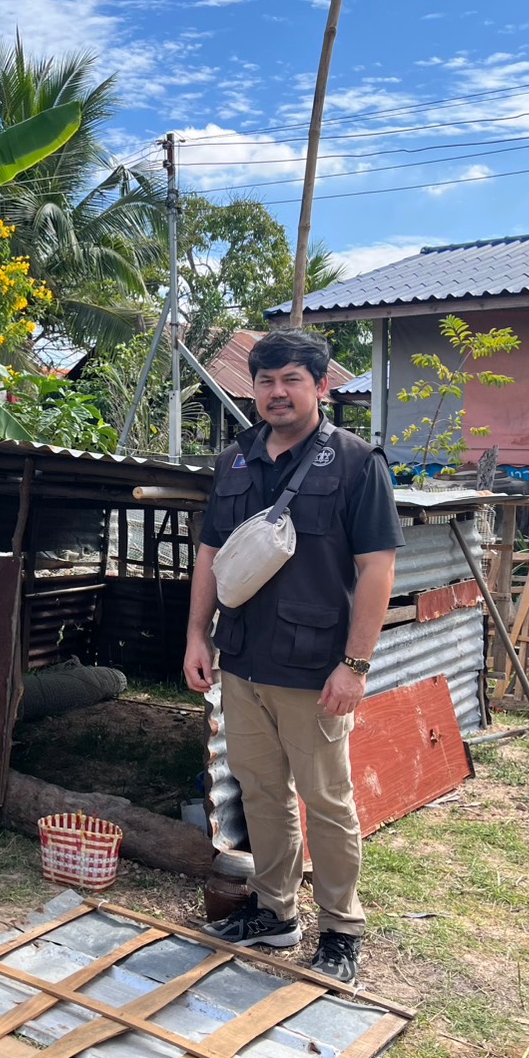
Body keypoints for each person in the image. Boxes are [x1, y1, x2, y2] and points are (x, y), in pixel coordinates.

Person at [184, 330, 403, 984]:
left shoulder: (356, 463)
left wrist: (355, 665)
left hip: (314, 668)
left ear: (321, 386)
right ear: (252, 388)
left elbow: (377, 568)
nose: (276, 392)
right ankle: (275, 912)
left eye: (291, 380)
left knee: (326, 800)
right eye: (266, 381)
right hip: (242, 658)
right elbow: (210, 555)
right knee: (260, 793)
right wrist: (196, 635)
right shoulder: (233, 462)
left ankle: (340, 930)